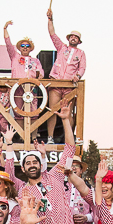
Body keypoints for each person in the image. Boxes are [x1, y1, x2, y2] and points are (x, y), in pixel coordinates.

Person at [44, 8, 86, 141]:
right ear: (69, 38)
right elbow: (52, 33)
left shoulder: (81, 53)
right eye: (72, 36)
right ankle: (50, 137)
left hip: (70, 86)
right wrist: (50, 19)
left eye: (76, 37)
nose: (73, 38)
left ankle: (69, 138)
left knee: (69, 113)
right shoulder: (62, 47)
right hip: (56, 82)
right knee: (52, 111)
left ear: (79, 41)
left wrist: (77, 76)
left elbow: (82, 67)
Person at [2, 20, 45, 111]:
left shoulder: (36, 60)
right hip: (17, 88)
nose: (25, 47)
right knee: (19, 112)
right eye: (22, 45)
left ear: (30, 49)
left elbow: (41, 72)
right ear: (19, 48)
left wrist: (39, 75)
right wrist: (5, 29)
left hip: (32, 89)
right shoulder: (15, 56)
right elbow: (8, 44)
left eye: (27, 46)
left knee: (33, 113)